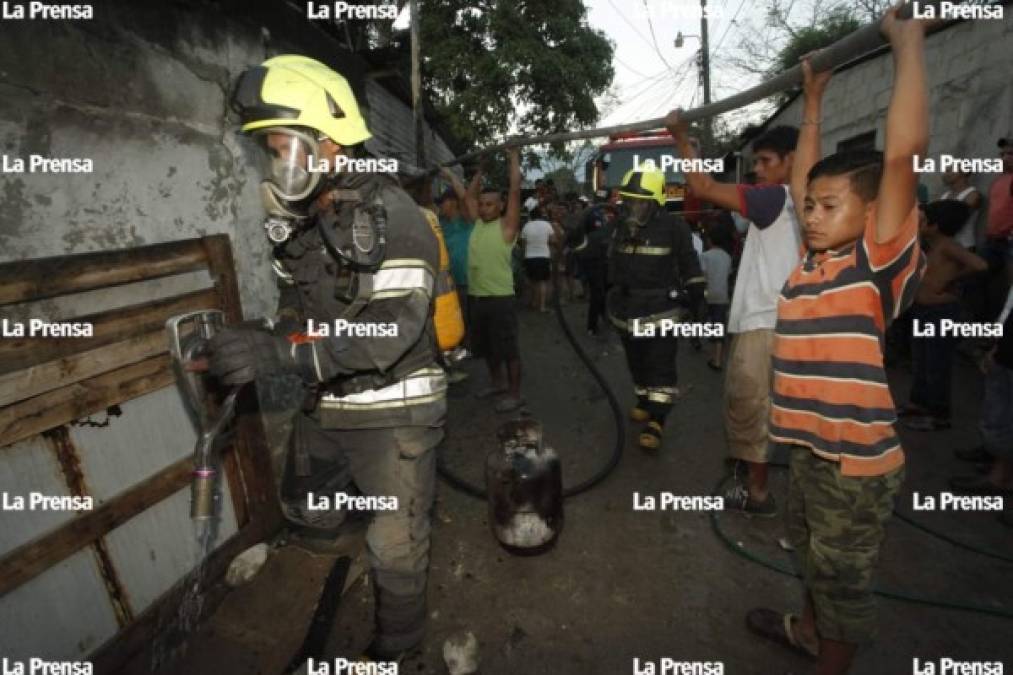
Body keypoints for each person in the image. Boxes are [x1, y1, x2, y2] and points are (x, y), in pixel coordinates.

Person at [220, 55, 444, 662]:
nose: (276, 164)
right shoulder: (309, 221)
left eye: (283, 147)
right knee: (316, 517)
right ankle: (335, 587)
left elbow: (393, 331)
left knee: (395, 544)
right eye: (268, 151)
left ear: (328, 144)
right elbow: (300, 311)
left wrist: (287, 359)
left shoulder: (395, 215)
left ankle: (396, 649)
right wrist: (268, 337)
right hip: (329, 401)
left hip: (396, 409)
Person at [745, 14, 928, 673]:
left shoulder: (873, 258)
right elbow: (803, 181)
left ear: (874, 211)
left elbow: (901, 154)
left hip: (855, 465)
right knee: (812, 556)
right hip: (811, 450)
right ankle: (805, 630)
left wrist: (907, 44)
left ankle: (830, 657)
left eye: (828, 206)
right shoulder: (811, 261)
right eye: (811, 205)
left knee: (842, 578)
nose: (812, 215)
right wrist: (813, 96)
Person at [667, 118, 802, 516]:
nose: (756, 169)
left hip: (764, 321)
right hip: (781, 318)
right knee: (770, 406)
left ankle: (756, 493)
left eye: (764, 160)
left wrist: (679, 139)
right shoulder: (798, 200)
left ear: (791, 160)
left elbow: (703, 188)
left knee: (750, 403)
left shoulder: (774, 197)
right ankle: (753, 469)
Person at [606, 168, 705, 451]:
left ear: (656, 202)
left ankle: (657, 421)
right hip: (625, 312)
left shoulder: (674, 228)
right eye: (629, 201)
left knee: (659, 365)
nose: (633, 207)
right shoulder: (619, 226)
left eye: (640, 201)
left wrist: (696, 295)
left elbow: (689, 264)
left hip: (660, 312)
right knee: (636, 362)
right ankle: (643, 400)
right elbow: (597, 250)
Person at [897, 200, 986, 430]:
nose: (920, 224)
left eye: (924, 221)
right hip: (923, 310)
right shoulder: (928, 244)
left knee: (936, 363)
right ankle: (920, 403)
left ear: (935, 226)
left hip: (940, 313)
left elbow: (979, 265)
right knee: (921, 359)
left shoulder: (948, 246)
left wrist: (951, 280)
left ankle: (939, 414)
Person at [949, 280, 1013, 515]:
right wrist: (996, 347)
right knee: (1001, 419)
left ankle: (1001, 476)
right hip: (1007, 353)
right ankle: (999, 476)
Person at [468, 149, 524, 413]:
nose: (483, 207)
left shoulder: (507, 226)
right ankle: (497, 383)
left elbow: (514, 189)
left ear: (500, 206)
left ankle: (514, 394)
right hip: (477, 297)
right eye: (482, 204)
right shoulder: (478, 224)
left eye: (490, 203)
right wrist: (479, 169)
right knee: (487, 347)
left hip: (501, 299)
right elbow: (468, 196)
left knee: (508, 349)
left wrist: (513, 156)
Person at [700, 226, 732, 370]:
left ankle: (716, 359)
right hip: (723, 296)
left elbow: (703, 276)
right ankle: (715, 357)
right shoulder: (727, 256)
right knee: (718, 326)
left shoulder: (705, 256)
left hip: (709, 295)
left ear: (710, 240)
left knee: (712, 326)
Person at [520, 208, 556, 312]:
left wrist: (523, 256)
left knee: (532, 281)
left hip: (530, 256)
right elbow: (553, 240)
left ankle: (533, 302)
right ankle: (542, 306)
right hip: (544, 256)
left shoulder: (526, 226)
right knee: (543, 282)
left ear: (530, 216)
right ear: (541, 215)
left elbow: (523, 244)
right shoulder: (547, 225)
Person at [939, 167, 982, 249]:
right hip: (946, 246)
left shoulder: (972, 194)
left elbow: (956, 218)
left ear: (963, 172)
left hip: (964, 246)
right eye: (945, 171)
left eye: (949, 170)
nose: (945, 174)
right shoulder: (945, 195)